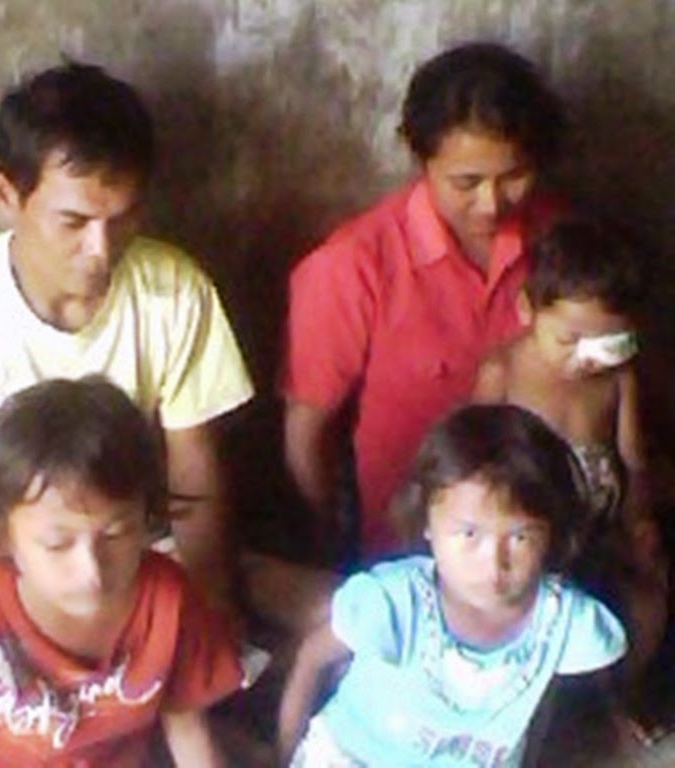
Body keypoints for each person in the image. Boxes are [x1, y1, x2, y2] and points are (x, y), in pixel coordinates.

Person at [0, 62, 253, 614]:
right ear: (7, 195)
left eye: (123, 218)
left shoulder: (175, 291)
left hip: (127, 559)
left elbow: (194, 480)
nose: (101, 249)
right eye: (74, 222)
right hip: (7, 575)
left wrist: (207, 619)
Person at [283, 42, 565, 563]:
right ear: (421, 160)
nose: (491, 203)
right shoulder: (353, 265)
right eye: (466, 182)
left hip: (541, 550)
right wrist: (336, 551)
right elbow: (307, 432)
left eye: (514, 177)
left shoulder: (563, 243)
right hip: (408, 557)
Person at [0, 376, 244, 766]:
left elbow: (188, 731)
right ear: (1, 536)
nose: (92, 571)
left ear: (147, 516)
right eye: (57, 544)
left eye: (116, 533)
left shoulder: (169, 602)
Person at [277, 404, 627, 767]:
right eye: (469, 534)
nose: (494, 563)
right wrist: (284, 757)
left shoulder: (564, 622)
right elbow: (311, 660)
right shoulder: (394, 601)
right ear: (428, 524)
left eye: (521, 537)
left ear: (552, 535)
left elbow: (532, 716)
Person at [473, 218, 667, 687]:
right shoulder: (503, 372)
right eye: (568, 339)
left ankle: (620, 693)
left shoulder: (618, 379)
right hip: (530, 533)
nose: (586, 357)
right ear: (527, 309)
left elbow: (632, 460)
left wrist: (639, 522)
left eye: (608, 344)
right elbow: (474, 458)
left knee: (648, 600)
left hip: (599, 528)